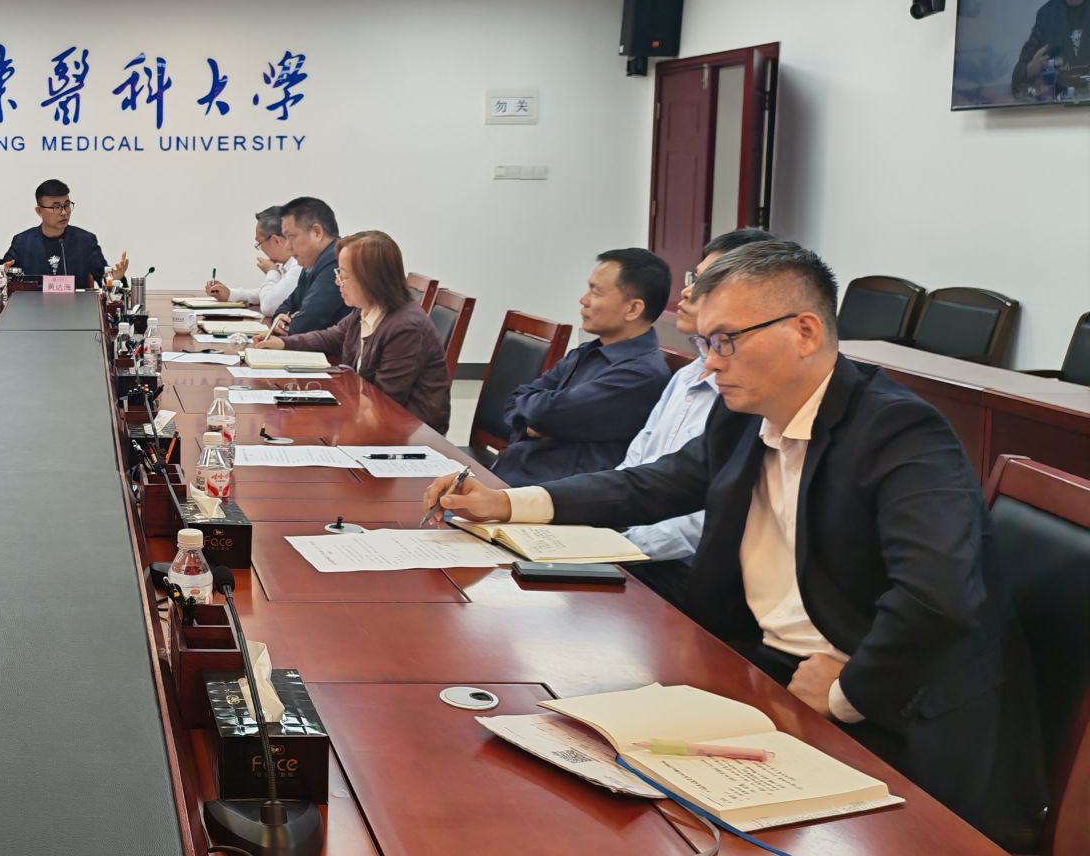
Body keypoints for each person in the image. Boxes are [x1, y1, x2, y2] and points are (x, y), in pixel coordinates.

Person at [428, 241, 1047, 847]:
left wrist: (846, 692)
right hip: (763, 670)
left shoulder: (900, 431)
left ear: (805, 331)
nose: (709, 364)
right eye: (704, 343)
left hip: (892, 708)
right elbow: (655, 483)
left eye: (726, 340)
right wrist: (509, 502)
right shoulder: (745, 413)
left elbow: (937, 596)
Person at [618, 227, 775, 605]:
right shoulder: (688, 375)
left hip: (687, 572)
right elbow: (637, 462)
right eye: (694, 277)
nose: (687, 291)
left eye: (706, 283)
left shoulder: (754, 395)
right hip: (635, 549)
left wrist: (622, 544)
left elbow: (710, 519)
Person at [489, 248, 673, 488]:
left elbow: (543, 414)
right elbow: (516, 401)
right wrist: (538, 422)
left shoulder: (640, 375)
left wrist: (539, 419)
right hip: (518, 476)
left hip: (555, 493)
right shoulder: (588, 351)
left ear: (633, 309)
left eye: (596, 292)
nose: (584, 300)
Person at [247, 230, 450, 431]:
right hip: (368, 419)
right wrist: (283, 343)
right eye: (338, 274)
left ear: (371, 279)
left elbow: (384, 401)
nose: (338, 282)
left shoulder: (406, 327)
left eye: (343, 276)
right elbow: (332, 336)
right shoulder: (367, 308)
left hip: (406, 435)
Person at [0, 179, 128, 288]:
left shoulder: (85, 241)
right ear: (39, 211)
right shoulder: (23, 242)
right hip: (33, 309)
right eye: (56, 207)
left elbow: (104, 279)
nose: (64, 212)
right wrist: (2, 274)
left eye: (67, 205)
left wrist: (115, 279)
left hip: (76, 309)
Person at [204, 205, 301, 318]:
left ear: (275, 241)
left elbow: (269, 307)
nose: (261, 249)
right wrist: (230, 294)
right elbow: (271, 293)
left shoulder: (299, 266)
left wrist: (272, 272)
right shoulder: (291, 264)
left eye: (259, 243)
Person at [271, 196, 347, 335]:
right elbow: (287, 306)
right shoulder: (313, 263)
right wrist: (279, 319)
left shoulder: (337, 261)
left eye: (291, 236)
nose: (287, 246)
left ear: (317, 232)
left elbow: (305, 325)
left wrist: (289, 323)